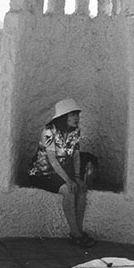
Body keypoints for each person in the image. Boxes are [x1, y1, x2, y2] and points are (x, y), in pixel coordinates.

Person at [28, 98, 98, 248]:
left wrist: (78, 178)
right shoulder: (48, 132)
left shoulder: (75, 132)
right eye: (72, 115)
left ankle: (77, 230)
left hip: (60, 172)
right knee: (68, 191)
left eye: (77, 115)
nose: (76, 118)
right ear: (62, 117)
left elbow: (76, 155)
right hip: (43, 173)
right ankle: (75, 234)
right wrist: (69, 180)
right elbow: (52, 160)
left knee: (81, 190)